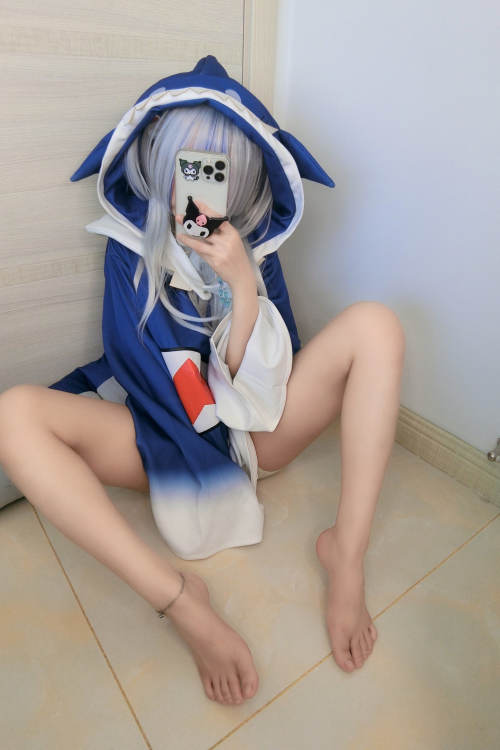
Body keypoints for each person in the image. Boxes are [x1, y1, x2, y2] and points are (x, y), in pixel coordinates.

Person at [0, 56, 405, 707]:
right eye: (187, 167)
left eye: (217, 171)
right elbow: (137, 361)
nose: (198, 190)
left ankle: (346, 554)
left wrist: (243, 286)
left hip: (254, 430)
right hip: (162, 430)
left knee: (378, 326)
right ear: (160, 164)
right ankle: (180, 600)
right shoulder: (126, 249)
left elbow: (264, 387)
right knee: (14, 414)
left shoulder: (253, 251)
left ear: (240, 179)